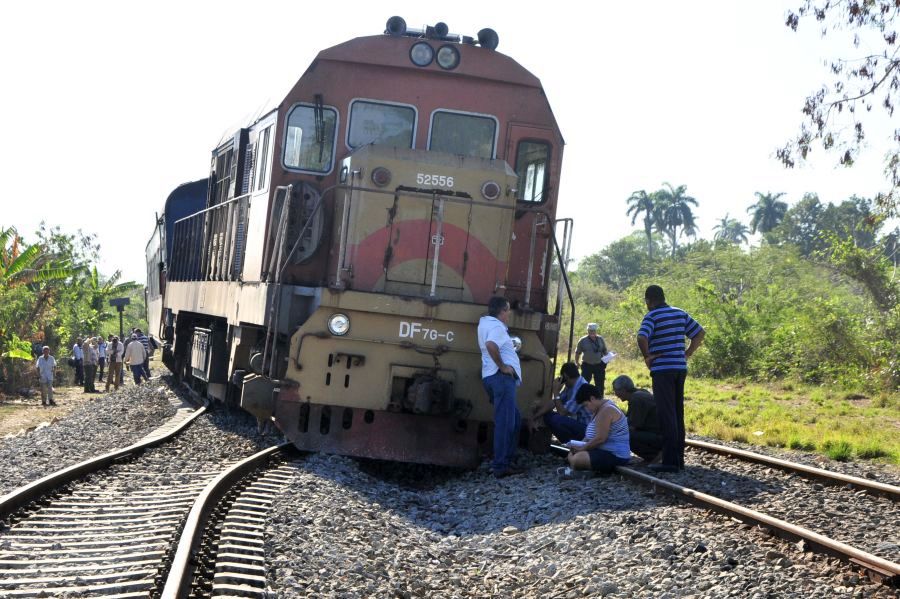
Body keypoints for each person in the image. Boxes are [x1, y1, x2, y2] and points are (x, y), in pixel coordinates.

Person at [637, 284, 705, 473]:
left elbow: (641, 337)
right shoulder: (680, 313)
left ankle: (669, 461)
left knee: (666, 415)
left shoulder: (652, 316)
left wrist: (647, 356)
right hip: (679, 369)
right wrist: (687, 353)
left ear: (648, 300)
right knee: (677, 413)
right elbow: (700, 333)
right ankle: (679, 460)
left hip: (662, 370)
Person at [478, 296, 524, 479]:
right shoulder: (496, 327)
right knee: (505, 423)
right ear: (502, 311)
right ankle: (501, 466)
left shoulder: (485, 324)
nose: (509, 313)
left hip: (492, 377)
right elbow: (491, 345)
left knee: (515, 418)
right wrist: (503, 367)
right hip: (501, 379)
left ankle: (508, 458)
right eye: (508, 310)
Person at [559, 383, 631, 476]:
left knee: (577, 459)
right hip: (603, 451)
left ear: (592, 398)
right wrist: (578, 446)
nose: (586, 408)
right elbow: (589, 437)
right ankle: (581, 469)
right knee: (572, 454)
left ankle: (577, 468)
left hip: (615, 455)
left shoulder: (606, 410)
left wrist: (582, 449)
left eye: (586, 405)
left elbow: (600, 438)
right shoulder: (598, 410)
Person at [531, 362, 591, 443]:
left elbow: (562, 412)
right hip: (581, 425)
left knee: (556, 420)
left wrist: (555, 391)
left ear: (565, 376)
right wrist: (535, 416)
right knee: (547, 416)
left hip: (589, 430)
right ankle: (574, 445)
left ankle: (574, 445)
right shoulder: (571, 385)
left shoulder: (580, 388)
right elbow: (554, 402)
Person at [612, 375, 663, 463]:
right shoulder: (641, 392)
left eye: (616, 390)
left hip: (658, 436)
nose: (616, 394)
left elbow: (633, 425)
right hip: (660, 434)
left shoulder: (636, 399)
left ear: (623, 390)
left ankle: (654, 455)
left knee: (626, 435)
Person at [575, 323, 608, 391]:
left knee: (600, 385)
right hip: (587, 365)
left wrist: (609, 356)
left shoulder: (600, 339)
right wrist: (577, 362)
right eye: (590, 330)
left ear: (596, 331)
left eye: (594, 330)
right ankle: (583, 399)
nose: (592, 332)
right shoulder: (583, 340)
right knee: (584, 384)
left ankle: (599, 399)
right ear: (588, 331)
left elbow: (604, 350)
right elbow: (577, 352)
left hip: (599, 365)